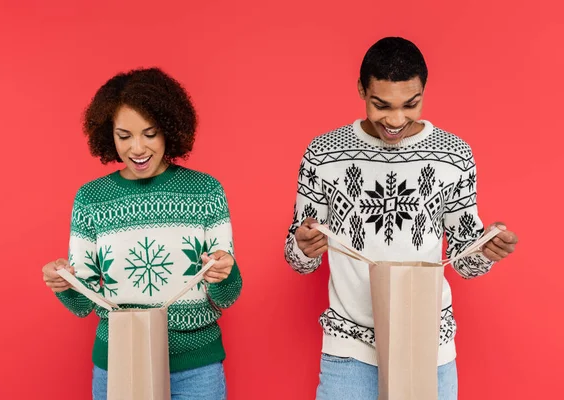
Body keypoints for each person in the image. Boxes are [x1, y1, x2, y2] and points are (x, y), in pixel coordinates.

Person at [284, 37, 518, 400]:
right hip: (350, 348)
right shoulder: (323, 154)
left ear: (424, 90)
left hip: (428, 346)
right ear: (362, 89)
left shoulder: (454, 156)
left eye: (411, 104)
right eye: (381, 105)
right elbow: (296, 259)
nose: (395, 120)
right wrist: (304, 247)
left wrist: (485, 250)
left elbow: (465, 261)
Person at [41, 67, 242, 400]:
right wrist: (64, 283)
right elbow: (82, 304)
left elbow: (227, 296)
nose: (137, 148)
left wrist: (225, 272)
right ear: (109, 135)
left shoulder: (206, 191)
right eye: (124, 135)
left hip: (195, 369)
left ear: (169, 129)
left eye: (150, 134)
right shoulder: (90, 199)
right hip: (119, 362)